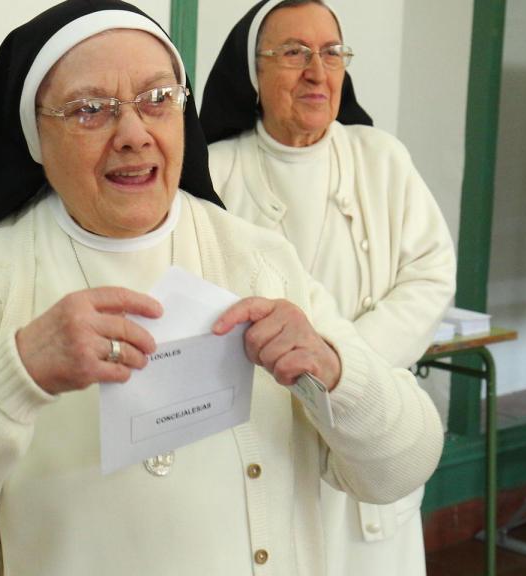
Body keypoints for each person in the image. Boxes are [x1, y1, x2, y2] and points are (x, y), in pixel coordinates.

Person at [0, 2, 444, 575]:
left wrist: (336, 373)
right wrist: (15, 373)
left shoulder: (259, 261)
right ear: (35, 137)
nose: (133, 133)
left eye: (156, 99)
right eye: (90, 108)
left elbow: (406, 463)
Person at [201, 1, 457, 575]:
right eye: (294, 53)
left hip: (367, 437)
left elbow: (431, 272)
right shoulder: (213, 174)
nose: (318, 71)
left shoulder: (381, 159)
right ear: (254, 73)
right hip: (258, 439)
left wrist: (342, 371)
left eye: (332, 53)